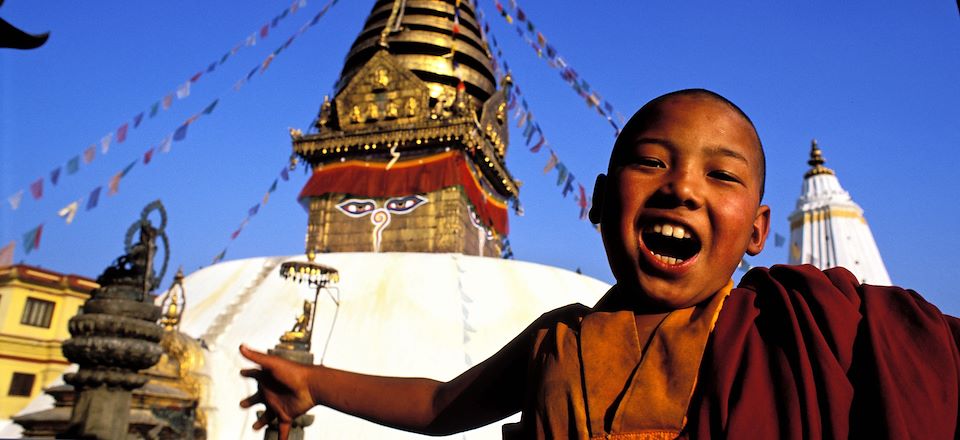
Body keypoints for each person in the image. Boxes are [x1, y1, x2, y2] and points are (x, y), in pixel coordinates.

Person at [240, 89, 960, 439]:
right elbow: (438, 406)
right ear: (601, 201)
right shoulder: (562, 340)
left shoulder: (803, 331)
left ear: (759, 232)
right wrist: (311, 382)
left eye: (722, 175)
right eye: (652, 163)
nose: (681, 187)